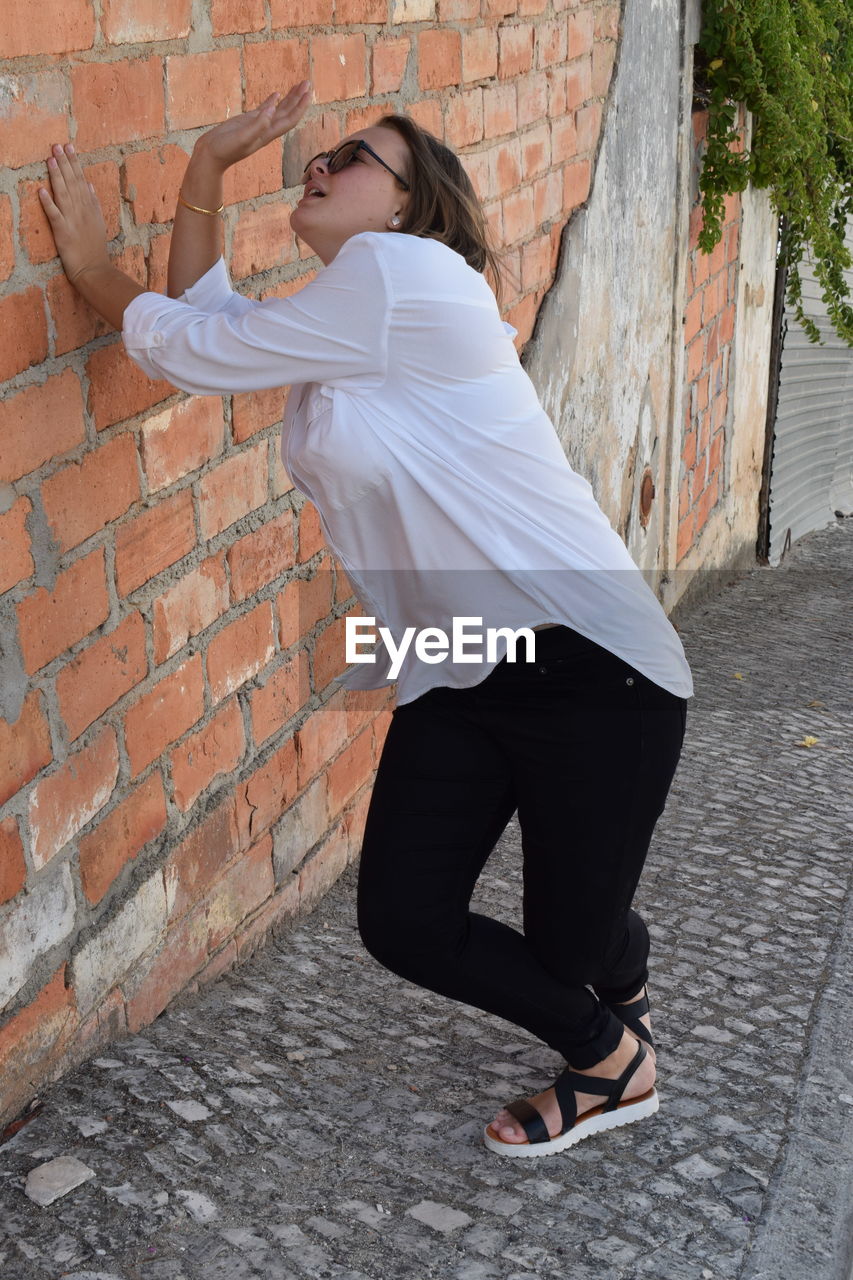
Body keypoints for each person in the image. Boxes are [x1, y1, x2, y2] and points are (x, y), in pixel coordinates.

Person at [41, 78, 693, 1159]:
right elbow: (208, 327)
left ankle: (613, 983)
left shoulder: (404, 277)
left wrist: (91, 271)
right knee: (402, 918)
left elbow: (187, 348)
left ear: (404, 206)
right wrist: (205, 168)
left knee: (566, 938)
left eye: (351, 155)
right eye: (330, 149)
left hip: (592, 663)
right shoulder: (349, 329)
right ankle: (613, 1054)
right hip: (458, 662)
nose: (322, 162)